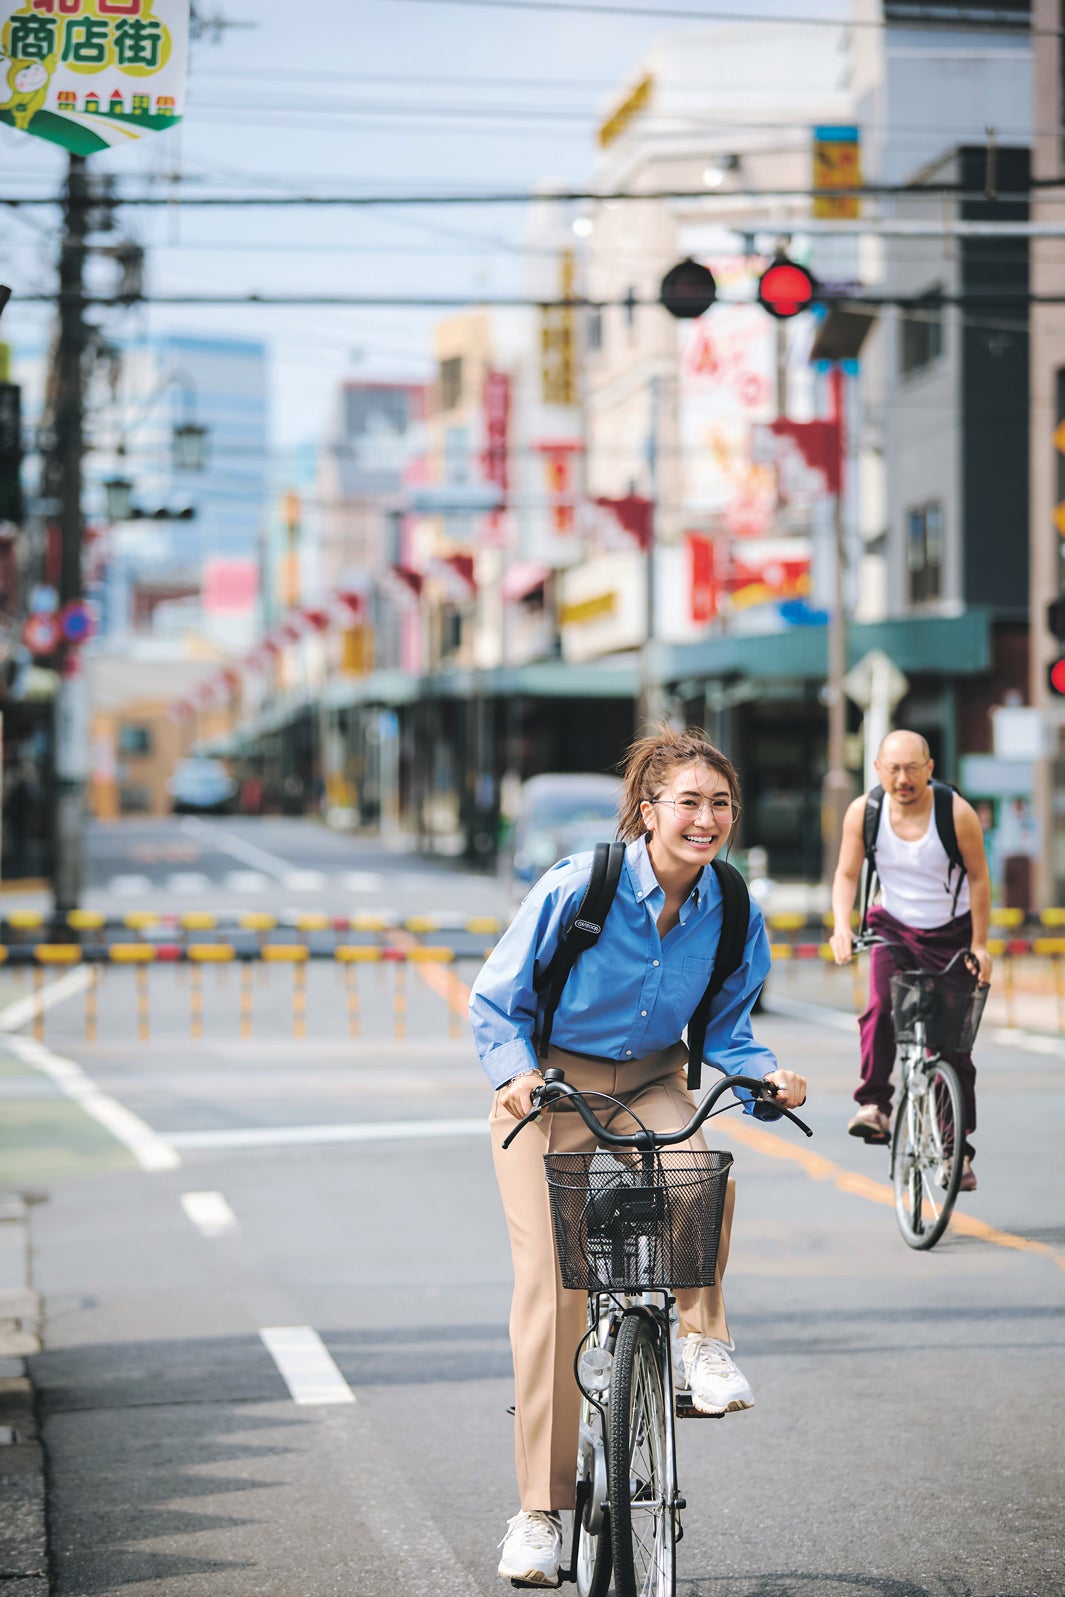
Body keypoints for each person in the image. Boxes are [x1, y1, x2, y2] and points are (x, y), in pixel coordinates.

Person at [469, 727, 807, 1587]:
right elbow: (496, 1000)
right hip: (550, 1089)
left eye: (719, 803)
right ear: (648, 809)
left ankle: (701, 1345)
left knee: (701, 1168)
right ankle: (539, 1513)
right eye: (687, 802)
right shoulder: (582, 883)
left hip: (654, 1077)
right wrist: (513, 1078)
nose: (705, 818)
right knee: (553, 1287)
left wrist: (767, 1073)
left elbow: (727, 1030)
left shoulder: (731, 904)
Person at [829, 729, 992, 1190]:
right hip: (892, 926)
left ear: (930, 768)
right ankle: (875, 1105)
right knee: (882, 1006)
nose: (903, 778)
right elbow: (845, 874)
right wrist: (843, 925)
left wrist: (980, 945)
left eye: (912, 768)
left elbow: (979, 879)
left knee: (953, 1049)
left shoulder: (954, 813)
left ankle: (954, 1151)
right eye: (893, 768)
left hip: (952, 932)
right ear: (878, 769)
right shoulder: (865, 812)